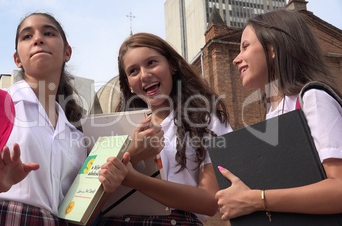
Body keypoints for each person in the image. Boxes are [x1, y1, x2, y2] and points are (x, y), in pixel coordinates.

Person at [0, 12, 126, 225]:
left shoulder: (76, 136)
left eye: (48, 32)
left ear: (67, 52)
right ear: (17, 58)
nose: (38, 39)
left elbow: (75, 217)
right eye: (27, 36)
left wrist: (107, 190)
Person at [216, 9, 342, 221]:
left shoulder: (313, 97)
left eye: (245, 46)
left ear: (272, 48)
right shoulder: (274, 111)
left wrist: (256, 199)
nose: (236, 59)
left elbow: (339, 187)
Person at [97, 32, 232, 225]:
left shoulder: (207, 121)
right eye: (133, 71)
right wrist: (131, 154)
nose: (144, 75)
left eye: (151, 63)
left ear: (172, 65)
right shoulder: (117, 128)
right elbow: (93, 199)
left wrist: (134, 179)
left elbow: (211, 201)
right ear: (129, 84)